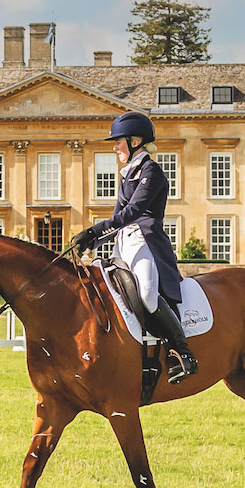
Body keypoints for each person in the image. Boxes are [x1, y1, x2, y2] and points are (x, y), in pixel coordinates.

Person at [74, 111, 197, 383]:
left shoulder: (150, 171)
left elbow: (132, 212)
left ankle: (183, 352)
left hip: (146, 243)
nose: (115, 147)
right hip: (124, 244)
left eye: (119, 141)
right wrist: (91, 242)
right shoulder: (127, 174)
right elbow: (118, 217)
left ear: (135, 141)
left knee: (147, 296)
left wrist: (93, 230)